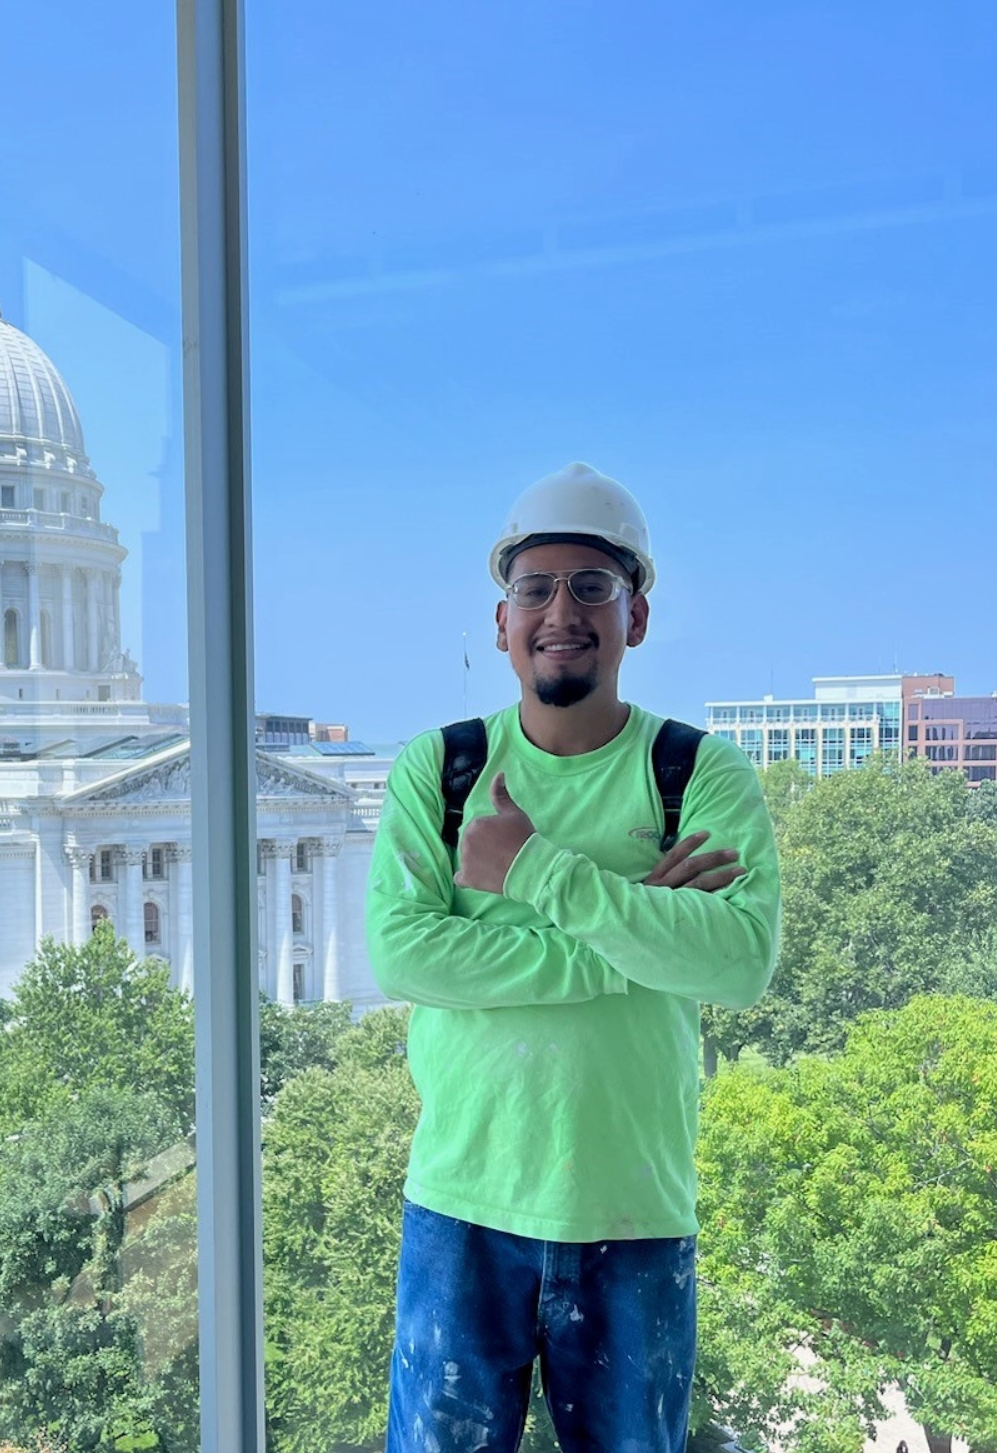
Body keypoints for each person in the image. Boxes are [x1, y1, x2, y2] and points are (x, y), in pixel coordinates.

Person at [367, 462, 782, 1452]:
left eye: (592, 587)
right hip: (462, 1205)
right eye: (536, 588)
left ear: (635, 617)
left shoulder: (695, 773)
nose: (563, 610)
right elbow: (406, 957)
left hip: (632, 1211)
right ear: (502, 620)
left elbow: (737, 963)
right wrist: (638, 937)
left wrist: (532, 871)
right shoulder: (444, 768)